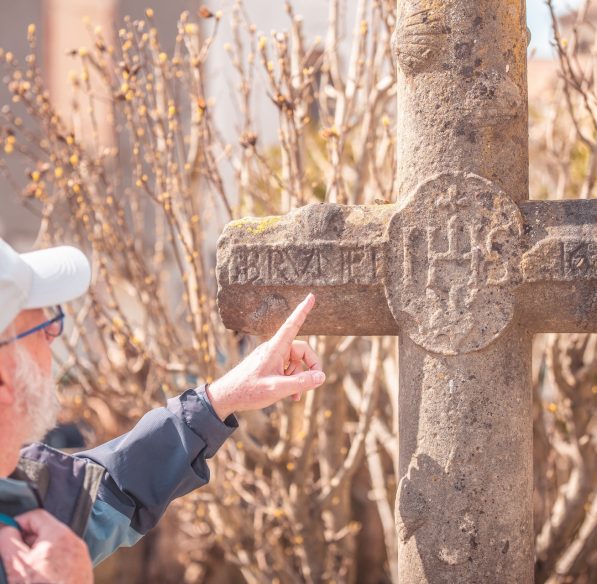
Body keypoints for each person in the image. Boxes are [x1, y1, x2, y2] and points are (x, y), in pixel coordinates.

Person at [0, 238, 325, 583]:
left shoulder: (19, 487)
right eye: (40, 327)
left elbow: (104, 492)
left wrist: (221, 397)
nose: (54, 334)